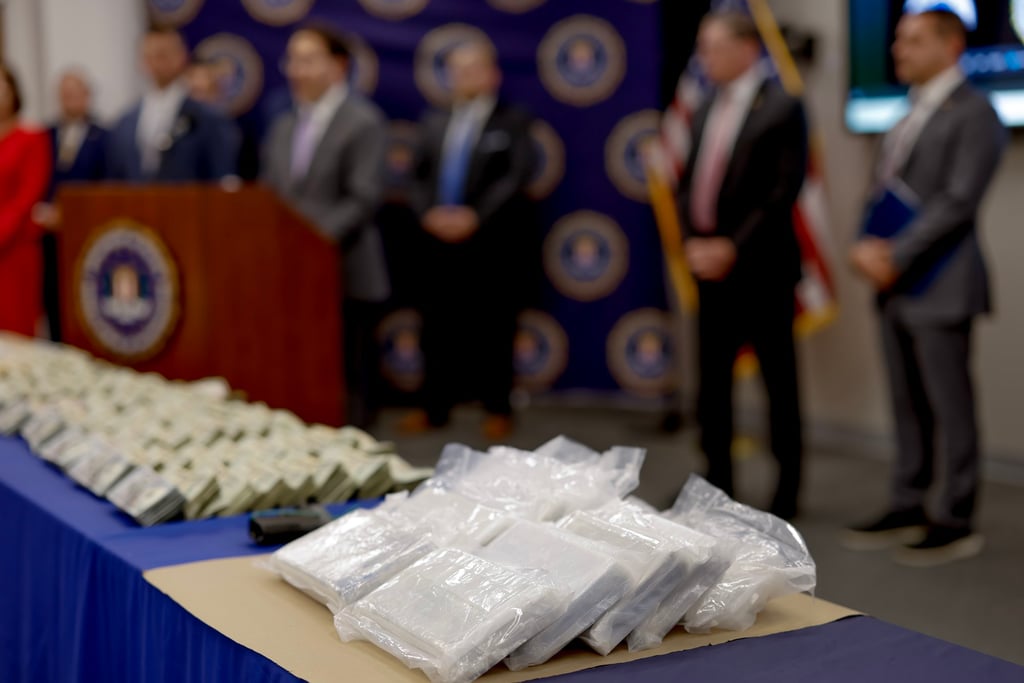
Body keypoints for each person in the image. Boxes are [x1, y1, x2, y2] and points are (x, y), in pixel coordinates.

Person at [845, 9, 1007, 566]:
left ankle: (955, 517)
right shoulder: (905, 112)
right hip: (895, 285)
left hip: (942, 282)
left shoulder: (976, 112)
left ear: (951, 44)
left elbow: (958, 202)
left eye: (913, 40)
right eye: (897, 39)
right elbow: (883, 189)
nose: (898, 49)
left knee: (949, 404)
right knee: (906, 402)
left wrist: (894, 255)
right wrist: (864, 246)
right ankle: (908, 501)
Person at [676, 11, 808, 519]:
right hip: (710, 268)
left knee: (778, 382)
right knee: (712, 385)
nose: (703, 58)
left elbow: (782, 190)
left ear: (747, 48)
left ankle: (787, 491)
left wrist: (731, 246)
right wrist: (695, 243)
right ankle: (717, 484)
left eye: (712, 46)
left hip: (762, 269)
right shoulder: (705, 105)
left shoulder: (781, 105)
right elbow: (689, 184)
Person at [404, 41, 538, 441]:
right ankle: (434, 407)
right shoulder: (434, 119)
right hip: (435, 240)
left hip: (490, 243)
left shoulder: (512, 120)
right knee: (435, 325)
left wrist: (474, 216)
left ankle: (497, 408)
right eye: (457, 70)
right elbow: (415, 176)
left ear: (492, 74)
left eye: (473, 68)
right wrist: (428, 213)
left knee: (493, 326)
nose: (464, 77)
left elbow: (515, 177)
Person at [262, 24, 390, 429]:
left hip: (347, 271)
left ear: (338, 67)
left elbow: (363, 197)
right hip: (290, 277)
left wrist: (312, 241)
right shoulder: (283, 123)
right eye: (292, 60)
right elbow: (269, 194)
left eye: (307, 60)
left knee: (351, 389)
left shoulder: (363, 121)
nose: (296, 70)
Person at [107, 25, 238, 182]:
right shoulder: (126, 121)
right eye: (148, 56)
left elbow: (221, 177)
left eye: (162, 55)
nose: (154, 63)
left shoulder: (208, 118)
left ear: (181, 56)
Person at [35, 69, 108, 341]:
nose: (70, 99)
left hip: (87, 231)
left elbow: (105, 184)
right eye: (65, 94)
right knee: (53, 298)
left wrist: (74, 214)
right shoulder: (44, 135)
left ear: (87, 96)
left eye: (76, 94)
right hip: (48, 233)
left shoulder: (104, 137)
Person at [0, 64, 52, 337]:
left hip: (15, 248)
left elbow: (28, 197)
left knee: (16, 333)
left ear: (12, 91)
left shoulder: (32, 139)